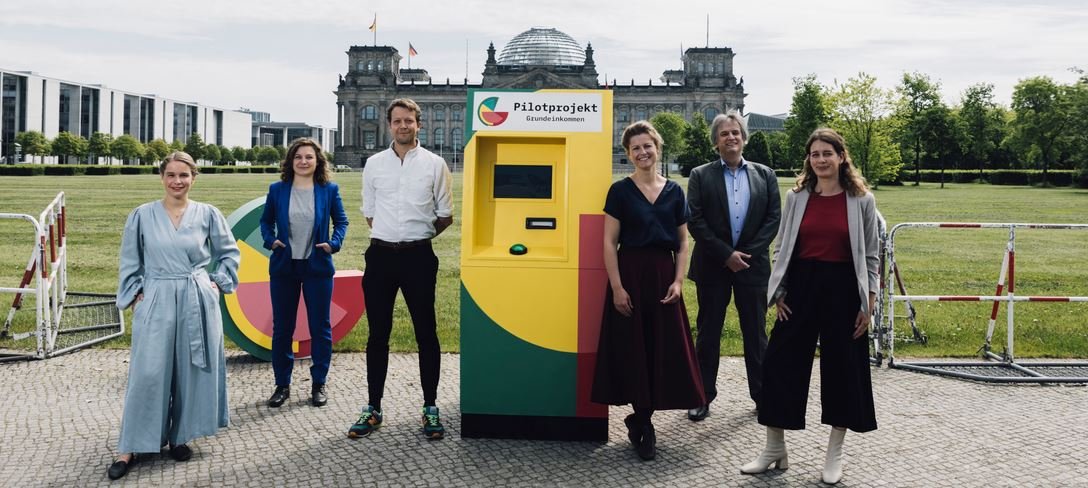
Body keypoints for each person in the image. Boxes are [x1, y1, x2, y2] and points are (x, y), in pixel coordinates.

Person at [740, 128, 879, 485]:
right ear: (809, 159)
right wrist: (781, 290)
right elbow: (782, 245)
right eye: (815, 154)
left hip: (845, 288)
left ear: (841, 156)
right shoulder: (797, 196)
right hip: (800, 287)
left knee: (843, 369)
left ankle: (834, 453)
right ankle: (774, 448)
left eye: (827, 154)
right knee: (779, 364)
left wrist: (870, 301)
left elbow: (871, 256)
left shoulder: (861, 199)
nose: (821, 160)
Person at [108, 151, 240, 480]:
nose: (177, 181)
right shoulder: (141, 215)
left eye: (184, 175)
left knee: (192, 369)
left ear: (194, 177)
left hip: (197, 298)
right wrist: (135, 292)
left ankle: (180, 436)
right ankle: (130, 445)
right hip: (157, 297)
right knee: (148, 373)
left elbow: (229, 254)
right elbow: (130, 259)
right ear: (162, 177)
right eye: (171, 175)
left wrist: (215, 283)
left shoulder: (208, 214)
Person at [591, 121, 706, 461]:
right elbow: (609, 243)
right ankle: (643, 423)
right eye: (635, 148)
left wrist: (678, 280)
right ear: (628, 155)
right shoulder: (620, 191)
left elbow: (684, 242)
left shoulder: (674, 191)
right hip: (630, 273)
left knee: (661, 347)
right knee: (633, 348)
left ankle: (641, 418)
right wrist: (616, 287)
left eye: (648, 146)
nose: (643, 152)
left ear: (658, 148)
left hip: (662, 275)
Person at [349, 98, 453, 440]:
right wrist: (391, 235)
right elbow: (369, 211)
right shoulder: (374, 164)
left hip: (418, 257)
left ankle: (430, 407)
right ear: (389, 124)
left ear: (418, 124)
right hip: (380, 257)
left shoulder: (435, 164)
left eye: (409, 120)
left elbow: (445, 214)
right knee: (378, 334)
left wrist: (415, 236)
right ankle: (374, 407)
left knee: (427, 332)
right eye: (397, 121)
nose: (403, 126)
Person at [686, 111, 781, 420]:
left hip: (753, 268)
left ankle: (763, 395)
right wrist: (727, 254)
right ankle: (702, 396)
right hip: (713, 266)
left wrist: (746, 255)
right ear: (716, 141)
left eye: (735, 132)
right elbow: (695, 221)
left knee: (756, 334)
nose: (731, 137)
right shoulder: (700, 175)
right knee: (708, 334)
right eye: (724, 133)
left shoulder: (765, 174)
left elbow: (772, 219)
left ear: (744, 137)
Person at [260, 138, 348, 408]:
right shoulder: (277, 189)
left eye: (309, 157)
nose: (303, 161)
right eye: (298, 157)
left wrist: (333, 244)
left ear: (317, 161)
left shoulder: (328, 190)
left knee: (320, 328)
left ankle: (319, 383)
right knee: (282, 329)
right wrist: (270, 240)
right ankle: (282, 385)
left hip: (317, 267)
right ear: (291, 161)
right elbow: (265, 221)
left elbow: (341, 221)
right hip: (285, 267)